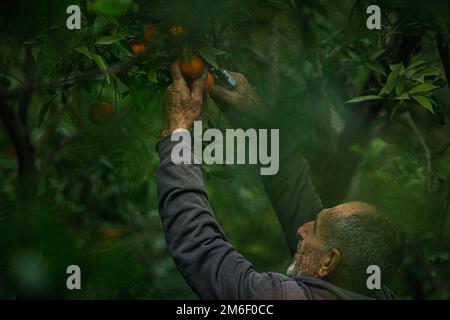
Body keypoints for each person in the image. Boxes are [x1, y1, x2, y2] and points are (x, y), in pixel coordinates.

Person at [156, 60, 405, 300]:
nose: (301, 228)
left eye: (314, 229)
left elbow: (201, 251)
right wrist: (260, 119)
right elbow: (293, 192)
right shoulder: (369, 287)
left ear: (328, 262)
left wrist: (177, 132)